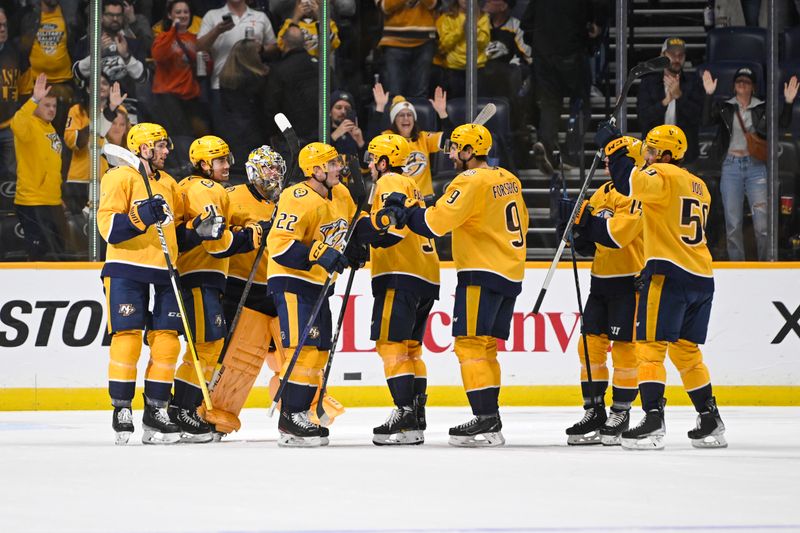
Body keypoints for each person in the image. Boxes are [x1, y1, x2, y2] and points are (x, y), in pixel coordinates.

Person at [378, 123, 528, 447]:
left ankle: (486, 420)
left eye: (456, 147)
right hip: (510, 272)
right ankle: (491, 417)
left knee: (470, 345)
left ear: (469, 152)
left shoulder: (469, 180)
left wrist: (405, 213)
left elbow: (434, 224)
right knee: (486, 346)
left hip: (481, 271)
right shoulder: (509, 179)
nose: (450, 153)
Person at [596, 121, 727, 450]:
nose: (649, 156)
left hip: (669, 274)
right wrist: (630, 146)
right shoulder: (700, 185)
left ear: (669, 154)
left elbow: (629, 182)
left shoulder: (662, 176)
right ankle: (710, 418)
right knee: (687, 352)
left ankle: (653, 418)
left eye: (654, 151)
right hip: (701, 276)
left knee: (649, 349)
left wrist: (614, 145)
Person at [266, 142, 364, 447]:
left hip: (319, 284)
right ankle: (290, 419)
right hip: (291, 281)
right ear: (315, 170)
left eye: (337, 163)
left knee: (318, 352)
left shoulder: (342, 195)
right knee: (303, 349)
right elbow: (280, 245)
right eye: (331, 164)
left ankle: (302, 414)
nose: (338, 168)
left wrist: (359, 244)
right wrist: (321, 253)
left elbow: (352, 226)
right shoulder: (296, 197)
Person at [171, 135, 268, 442]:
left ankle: (181, 407)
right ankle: (183, 408)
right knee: (206, 346)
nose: (227, 166)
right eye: (220, 161)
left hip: (200, 274)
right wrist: (252, 235)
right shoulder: (205, 188)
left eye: (227, 159)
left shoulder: (191, 185)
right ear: (203, 164)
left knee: (206, 346)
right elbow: (216, 243)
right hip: (200, 273)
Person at [97, 122, 183, 445]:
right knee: (128, 338)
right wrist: (142, 215)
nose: (165, 151)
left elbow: (177, 231)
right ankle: (122, 408)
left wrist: (201, 231)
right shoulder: (118, 177)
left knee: (167, 342)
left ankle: (156, 410)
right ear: (143, 148)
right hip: (126, 268)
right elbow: (109, 229)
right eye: (160, 146)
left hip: (164, 271)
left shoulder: (170, 184)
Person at [558, 136, 644, 446]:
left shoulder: (637, 195)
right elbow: (589, 241)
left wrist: (587, 222)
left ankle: (620, 411)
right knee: (589, 348)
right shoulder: (602, 192)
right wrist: (572, 229)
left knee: (623, 350)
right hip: (601, 280)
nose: (608, 164)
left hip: (628, 281)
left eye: (614, 159)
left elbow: (615, 235)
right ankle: (593, 410)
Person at [359, 133, 440, 445]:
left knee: (391, 345)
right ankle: (416, 417)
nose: (369, 165)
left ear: (383, 161)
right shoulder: (412, 184)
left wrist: (364, 237)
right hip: (425, 274)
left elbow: (393, 228)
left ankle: (404, 414)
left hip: (399, 273)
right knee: (410, 349)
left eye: (372, 159)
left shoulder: (390, 181)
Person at [701, 68, 798, 261]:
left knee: (762, 224)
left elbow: (783, 124)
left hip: (756, 166)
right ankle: (737, 265)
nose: (741, 84)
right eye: (738, 80)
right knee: (733, 222)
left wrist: (788, 102)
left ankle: (765, 263)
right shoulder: (726, 107)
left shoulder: (762, 107)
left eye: (746, 81)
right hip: (731, 165)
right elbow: (706, 120)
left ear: (753, 87)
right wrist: (709, 95)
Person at [523, 0, 604, 169]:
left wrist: (540, 45)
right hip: (572, 54)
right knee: (581, 103)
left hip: (544, 57)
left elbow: (526, 24)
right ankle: (570, 153)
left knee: (550, 104)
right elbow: (594, 24)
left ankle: (546, 144)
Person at [196, 0, 277, 132]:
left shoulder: (260, 16)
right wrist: (217, 30)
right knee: (225, 133)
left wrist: (261, 48)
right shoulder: (212, 16)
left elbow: (274, 47)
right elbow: (198, 47)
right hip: (221, 86)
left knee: (256, 133)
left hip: (255, 86)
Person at [11, 73, 66, 261]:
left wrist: (58, 197)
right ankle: (33, 291)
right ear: (36, 107)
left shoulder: (50, 128)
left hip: (52, 201)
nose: (52, 110)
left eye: (54, 106)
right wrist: (34, 99)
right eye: (46, 105)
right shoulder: (28, 125)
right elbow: (16, 122)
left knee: (59, 252)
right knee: (37, 253)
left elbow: (52, 165)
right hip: (32, 201)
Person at [369, 84, 452, 200]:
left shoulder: (423, 138)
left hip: (424, 199)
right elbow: (369, 145)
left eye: (409, 115)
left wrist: (443, 113)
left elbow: (451, 142)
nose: (406, 118)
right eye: (401, 115)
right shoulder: (387, 138)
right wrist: (379, 108)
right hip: (398, 199)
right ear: (394, 120)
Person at [73, 0, 149, 122]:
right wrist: (96, 54)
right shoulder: (87, 42)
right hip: (95, 105)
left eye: (118, 15)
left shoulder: (133, 43)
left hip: (128, 107)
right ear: (101, 16)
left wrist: (126, 56)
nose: (115, 19)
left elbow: (143, 77)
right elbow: (77, 74)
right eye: (110, 15)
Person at [64, 77, 128, 216]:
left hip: (108, 179)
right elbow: (73, 143)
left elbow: (124, 143)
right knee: (79, 227)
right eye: (96, 83)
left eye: (105, 83)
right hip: (79, 178)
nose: (101, 86)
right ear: (87, 88)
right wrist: (102, 117)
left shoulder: (120, 110)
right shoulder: (77, 110)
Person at [637, 37, 705, 164]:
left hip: (685, 155)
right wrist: (666, 101)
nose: (677, 59)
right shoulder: (648, 83)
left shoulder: (693, 82)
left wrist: (679, 96)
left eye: (681, 55)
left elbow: (698, 118)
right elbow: (643, 117)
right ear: (662, 56)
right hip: (654, 154)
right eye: (672, 54)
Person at [16, 0, 78, 136]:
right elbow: (21, 49)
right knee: (35, 135)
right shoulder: (28, 16)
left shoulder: (69, 16)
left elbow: (75, 46)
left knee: (63, 136)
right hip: (35, 86)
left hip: (64, 85)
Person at [150, 0, 209, 140]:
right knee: (176, 137)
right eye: (178, 12)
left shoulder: (195, 39)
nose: (182, 15)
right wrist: (173, 30)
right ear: (170, 15)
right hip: (168, 97)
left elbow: (204, 71)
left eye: (185, 12)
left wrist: (207, 60)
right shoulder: (162, 37)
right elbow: (158, 55)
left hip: (191, 96)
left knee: (197, 134)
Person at [264, 25, 319, 147]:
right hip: (321, 133)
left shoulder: (279, 70)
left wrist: (271, 133)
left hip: (290, 137)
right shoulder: (320, 66)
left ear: (284, 42)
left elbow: (271, 106)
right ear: (304, 42)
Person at [482, 0, 532, 130]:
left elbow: (528, 56)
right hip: (482, 72)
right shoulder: (481, 24)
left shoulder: (516, 26)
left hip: (506, 75)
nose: (487, 2)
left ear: (503, 6)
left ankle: (515, 127)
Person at [376, 0, 437, 99]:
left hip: (424, 40)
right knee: (395, 93)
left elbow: (433, 4)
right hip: (394, 41)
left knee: (420, 93)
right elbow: (384, 7)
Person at [435, 0, 491, 99]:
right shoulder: (448, 17)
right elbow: (444, 45)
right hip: (453, 69)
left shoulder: (483, 17)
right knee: (454, 105)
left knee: (478, 105)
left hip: (476, 68)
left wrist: (472, 28)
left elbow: (484, 43)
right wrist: (461, 30)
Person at [0, 8, 28, 185]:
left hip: (10, 124)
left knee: (13, 176)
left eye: (4, 25)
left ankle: (11, 213)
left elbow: (25, 89)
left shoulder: (16, 52)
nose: (2, 29)